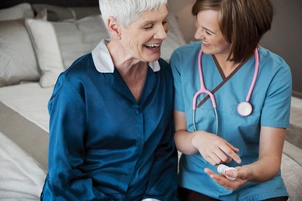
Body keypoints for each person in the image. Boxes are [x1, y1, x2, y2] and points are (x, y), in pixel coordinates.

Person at [40, 0, 179, 200]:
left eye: (164, 22)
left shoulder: (163, 74)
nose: (163, 34)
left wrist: (153, 198)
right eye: (148, 26)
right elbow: (64, 174)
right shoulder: (75, 84)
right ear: (115, 27)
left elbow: (164, 152)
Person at [170, 0, 292, 200]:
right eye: (198, 26)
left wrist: (247, 173)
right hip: (200, 181)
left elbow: (270, 160)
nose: (197, 36)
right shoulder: (182, 60)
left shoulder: (275, 72)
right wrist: (197, 138)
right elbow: (178, 135)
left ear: (239, 35)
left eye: (208, 32)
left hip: (256, 184)